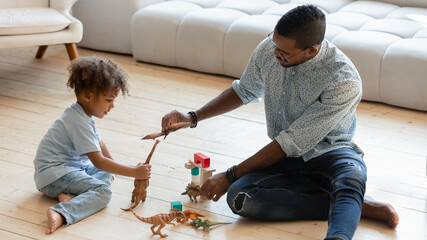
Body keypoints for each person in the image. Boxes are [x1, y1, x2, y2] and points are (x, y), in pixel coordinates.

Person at [160, 5, 398, 240]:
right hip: (284, 158)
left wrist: (230, 174)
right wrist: (193, 117)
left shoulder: (342, 80)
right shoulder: (270, 49)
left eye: (284, 52)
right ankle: (351, 205)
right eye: (275, 44)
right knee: (240, 198)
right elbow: (244, 91)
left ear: (312, 51)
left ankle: (341, 221)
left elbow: (290, 141)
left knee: (352, 178)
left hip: (330, 154)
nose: (275, 53)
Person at [33, 56, 151, 234]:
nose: (112, 106)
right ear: (89, 95)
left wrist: (121, 168)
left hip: (67, 170)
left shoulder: (81, 114)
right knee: (104, 192)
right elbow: (98, 162)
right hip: (53, 176)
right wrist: (134, 171)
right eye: (109, 100)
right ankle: (61, 212)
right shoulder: (78, 121)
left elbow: (100, 145)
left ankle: (70, 197)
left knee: (107, 172)